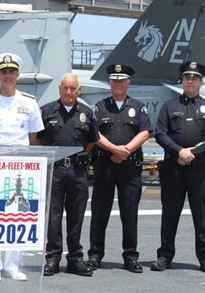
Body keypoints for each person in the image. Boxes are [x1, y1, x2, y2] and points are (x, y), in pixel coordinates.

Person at [87, 64, 150, 273]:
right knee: (99, 212)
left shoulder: (139, 107)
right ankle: (95, 255)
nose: (118, 84)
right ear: (110, 83)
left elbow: (144, 132)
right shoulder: (99, 107)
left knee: (129, 213)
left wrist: (126, 151)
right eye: (114, 80)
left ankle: (130, 256)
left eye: (121, 80)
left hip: (130, 167)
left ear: (128, 83)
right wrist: (115, 149)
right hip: (104, 165)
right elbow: (96, 135)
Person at [0, 53, 44, 281]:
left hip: (21, 167)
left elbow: (34, 138)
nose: (7, 75)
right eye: (3, 72)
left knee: (19, 214)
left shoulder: (29, 102)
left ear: (18, 75)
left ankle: (12, 264)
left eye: (11, 71)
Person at [38, 73, 99, 277]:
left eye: (73, 88)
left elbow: (91, 141)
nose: (69, 92)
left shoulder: (87, 113)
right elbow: (38, 140)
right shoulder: (46, 111)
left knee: (76, 216)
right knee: (53, 216)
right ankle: (53, 258)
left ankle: (75, 259)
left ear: (79, 90)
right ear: (60, 89)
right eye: (65, 88)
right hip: (54, 170)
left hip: (78, 171)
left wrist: (78, 155)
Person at [151, 61, 205, 272]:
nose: (190, 81)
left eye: (195, 78)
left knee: (202, 216)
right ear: (181, 81)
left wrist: (191, 153)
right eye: (187, 77)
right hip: (173, 169)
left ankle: (203, 257)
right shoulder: (169, 106)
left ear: (200, 82)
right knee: (170, 214)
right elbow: (160, 134)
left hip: (200, 169)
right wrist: (178, 151)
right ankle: (165, 256)